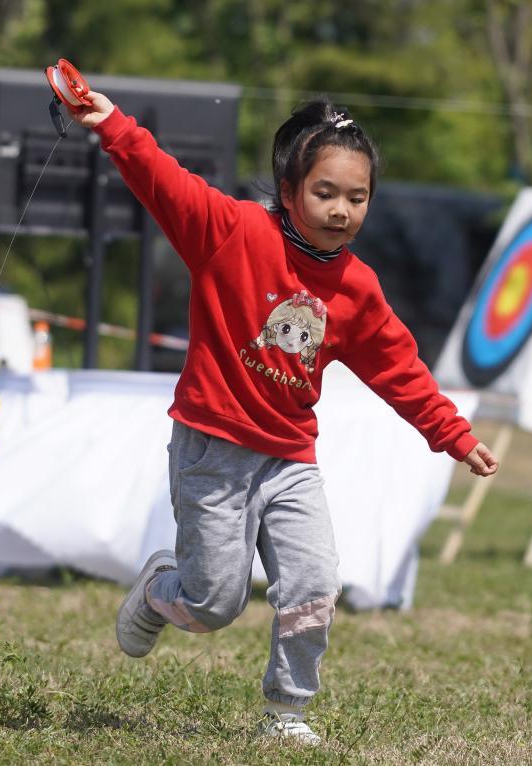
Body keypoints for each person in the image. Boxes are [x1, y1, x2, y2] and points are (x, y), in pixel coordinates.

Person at [68, 92, 499, 745]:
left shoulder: (356, 289)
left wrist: (453, 434)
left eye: (357, 198)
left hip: (290, 459)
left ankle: (286, 712)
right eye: (325, 193)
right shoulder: (232, 232)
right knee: (214, 604)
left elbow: (399, 368)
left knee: (315, 584)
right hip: (213, 451)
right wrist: (113, 126)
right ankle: (161, 587)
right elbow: (164, 183)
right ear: (290, 190)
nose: (341, 210)